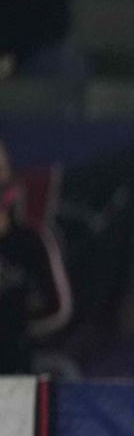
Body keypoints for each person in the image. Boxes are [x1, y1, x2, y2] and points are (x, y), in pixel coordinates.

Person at [0, 140, 71, 372]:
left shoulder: (30, 242)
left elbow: (58, 307)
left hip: (19, 364)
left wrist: (15, 328)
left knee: (64, 373)